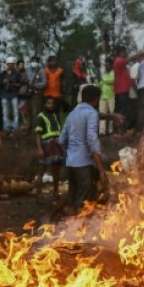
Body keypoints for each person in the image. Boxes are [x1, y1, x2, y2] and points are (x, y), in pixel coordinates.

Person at [58, 85, 105, 214]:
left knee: (72, 199)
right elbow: (92, 140)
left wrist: (69, 153)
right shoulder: (91, 113)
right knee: (84, 201)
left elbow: (61, 140)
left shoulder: (72, 114)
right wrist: (101, 169)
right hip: (84, 163)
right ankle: (81, 230)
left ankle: (71, 231)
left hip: (70, 162)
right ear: (96, 100)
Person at [34, 96, 64, 199]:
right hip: (46, 145)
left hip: (57, 144)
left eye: (52, 103)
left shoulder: (55, 115)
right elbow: (38, 134)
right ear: (44, 105)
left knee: (56, 170)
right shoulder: (40, 117)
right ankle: (39, 194)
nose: (51, 105)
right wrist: (39, 149)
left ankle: (55, 193)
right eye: (48, 103)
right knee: (42, 170)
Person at [112, 46, 137, 136]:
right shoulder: (118, 61)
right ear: (120, 53)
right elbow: (130, 59)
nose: (126, 54)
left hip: (124, 91)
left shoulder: (124, 66)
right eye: (124, 52)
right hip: (120, 92)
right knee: (122, 111)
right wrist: (140, 54)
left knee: (124, 111)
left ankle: (121, 129)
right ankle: (119, 130)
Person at [0, 57, 23, 135]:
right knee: (5, 113)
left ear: (14, 65)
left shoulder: (17, 73)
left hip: (14, 95)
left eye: (12, 64)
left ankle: (14, 128)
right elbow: (0, 84)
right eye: (9, 64)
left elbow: (20, 84)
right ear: (7, 64)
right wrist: (4, 82)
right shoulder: (3, 73)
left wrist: (12, 83)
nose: (11, 65)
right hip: (5, 95)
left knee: (15, 113)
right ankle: (7, 128)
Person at [25, 56, 47, 133]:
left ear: (38, 63)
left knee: (36, 113)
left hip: (37, 95)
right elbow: (24, 79)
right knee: (28, 113)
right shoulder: (27, 70)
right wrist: (27, 82)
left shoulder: (41, 71)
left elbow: (44, 83)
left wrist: (35, 84)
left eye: (36, 61)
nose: (34, 62)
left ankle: (36, 130)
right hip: (28, 94)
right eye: (33, 61)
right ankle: (28, 128)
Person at [97, 57, 115, 135]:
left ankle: (111, 131)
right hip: (102, 97)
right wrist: (98, 80)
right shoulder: (104, 74)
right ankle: (102, 131)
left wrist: (103, 79)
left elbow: (111, 81)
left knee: (111, 114)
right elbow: (100, 85)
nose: (106, 67)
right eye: (105, 65)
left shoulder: (113, 73)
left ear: (111, 65)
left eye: (107, 65)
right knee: (102, 114)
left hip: (111, 96)